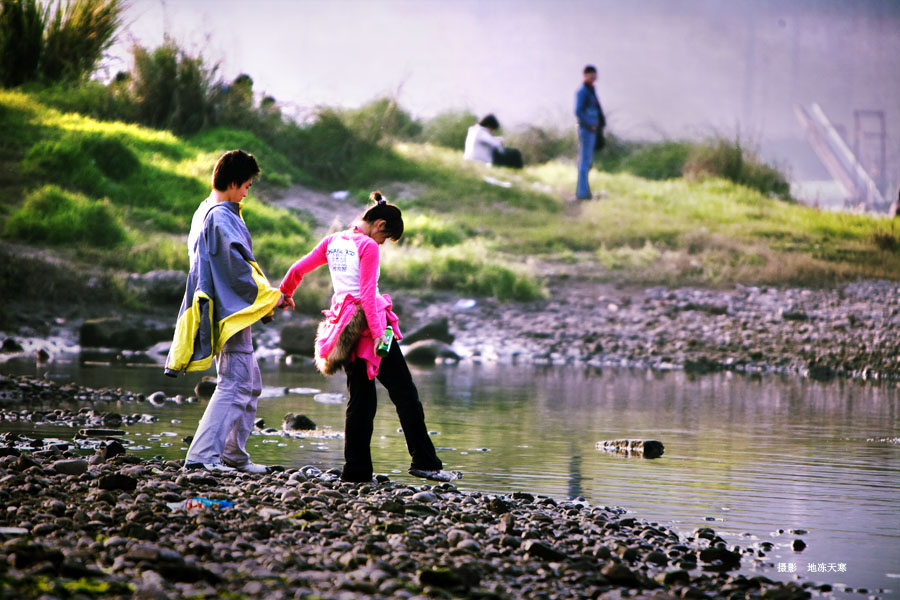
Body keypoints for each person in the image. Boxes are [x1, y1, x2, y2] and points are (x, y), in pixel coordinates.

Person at [279, 192, 459, 484]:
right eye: (385, 237)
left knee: (360, 402)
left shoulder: (333, 241)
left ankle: (356, 472)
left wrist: (286, 293)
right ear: (380, 225)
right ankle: (425, 462)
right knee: (405, 394)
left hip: (344, 327)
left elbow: (298, 269)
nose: (382, 243)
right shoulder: (367, 246)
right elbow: (366, 295)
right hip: (369, 327)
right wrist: (378, 335)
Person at [165, 149, 288, 474]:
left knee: (249, 382)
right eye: (246, 185)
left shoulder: (206, 210)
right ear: (233, 183)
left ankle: (234, 455)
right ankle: (203, 456)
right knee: (234, 381)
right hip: (228, 311)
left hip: (224, 307)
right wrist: (270, 298)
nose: (248, 191)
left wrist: (269, 298)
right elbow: (234, 268)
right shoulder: (219, 216)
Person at [575, 64, 607, 200]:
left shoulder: (591, 90)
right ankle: (582, 193)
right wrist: (591, 123)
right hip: (587, 130)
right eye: (591, 74)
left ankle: (585, 191)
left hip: (592, 131)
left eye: (594, 74)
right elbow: (578, 111)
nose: (593, 76)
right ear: (585, 75)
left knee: (588, 162)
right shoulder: (582, 92)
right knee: (584, 161)